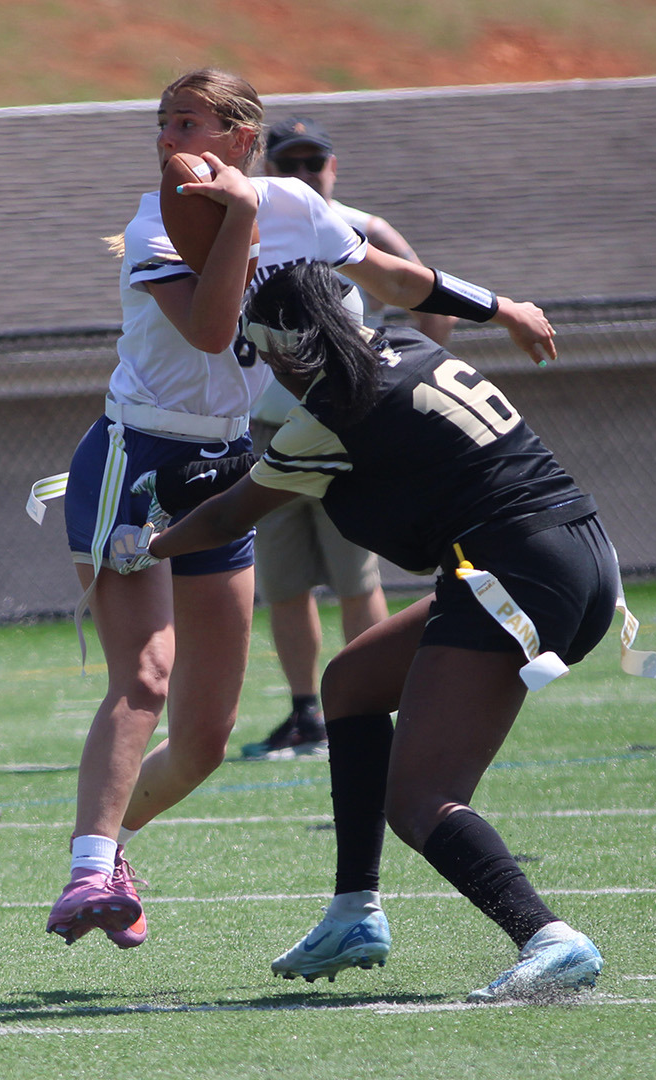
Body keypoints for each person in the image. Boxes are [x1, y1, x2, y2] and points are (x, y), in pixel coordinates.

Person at [45, 68, 557, 952]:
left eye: (189, 123)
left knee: (207, 737)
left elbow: (392, 277)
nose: (170, 140)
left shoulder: (290, 202)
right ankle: (87, 867)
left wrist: (498, 304)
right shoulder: (154, 222)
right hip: (137, 459)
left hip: (222, 460)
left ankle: (117, 847)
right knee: (149, 674)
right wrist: (240, 216)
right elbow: (211, 332)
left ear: (242, 137)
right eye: (162, 124)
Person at [116, 259, 639, 1002]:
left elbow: (233, 515)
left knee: (421, 799)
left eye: (266, 358)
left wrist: (142, 545)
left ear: (289, 351)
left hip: (514, 570)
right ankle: (353, 909)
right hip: (571, 553)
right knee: (352, 685)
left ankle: (547, 936)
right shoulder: (411, 353)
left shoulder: (335, 410)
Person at [239, 115, 455, 760]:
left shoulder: (360, 229)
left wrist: (402, 378)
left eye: (315, 163)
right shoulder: (251, 228)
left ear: (334, 168)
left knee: (356, 576)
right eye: (290, 164)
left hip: (345, 429)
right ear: (268, 170)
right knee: (282, 584)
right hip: (269, 427)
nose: (304, 175)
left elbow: (430, 304)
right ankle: (306, 712)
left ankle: (375, 704)